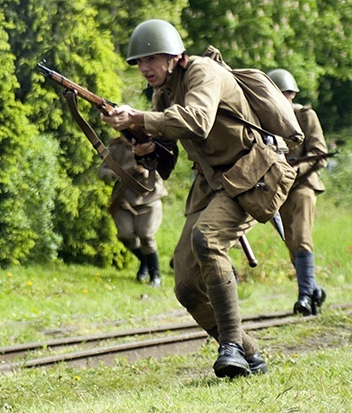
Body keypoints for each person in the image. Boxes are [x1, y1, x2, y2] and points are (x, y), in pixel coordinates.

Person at [101, 19, 268, 378]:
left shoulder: (202, 73)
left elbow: (197, 121)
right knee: (186, 285)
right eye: (139, 62)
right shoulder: (164, 93)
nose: (145, 68)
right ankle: (249, 353)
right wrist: (145, 147)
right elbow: (168, 161)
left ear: (175, 56)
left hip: (251, 174)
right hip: (212, 183)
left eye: (152, 59)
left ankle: (232, 348)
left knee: (206, 239)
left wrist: (141, 117)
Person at [268, 68, 328, 316]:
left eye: (284, 94)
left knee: (302, 237)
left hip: (303, 185)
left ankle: (304, 296)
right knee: (291, 243)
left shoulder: (305, 116)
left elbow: (319, 154)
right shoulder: (265, 121)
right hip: (278, 189)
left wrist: (296, 169)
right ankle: (313, 289)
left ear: (292, 94)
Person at [98, 135, 167, 287]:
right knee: (125, 235)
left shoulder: (152, 142)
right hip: (124, 200)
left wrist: (146, 171)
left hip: (149, 199)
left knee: (146, 235)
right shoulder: (116, 147)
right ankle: (145, 262)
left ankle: (155, 275)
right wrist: (117, 173)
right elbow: (102, 171)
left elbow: (165, 167)